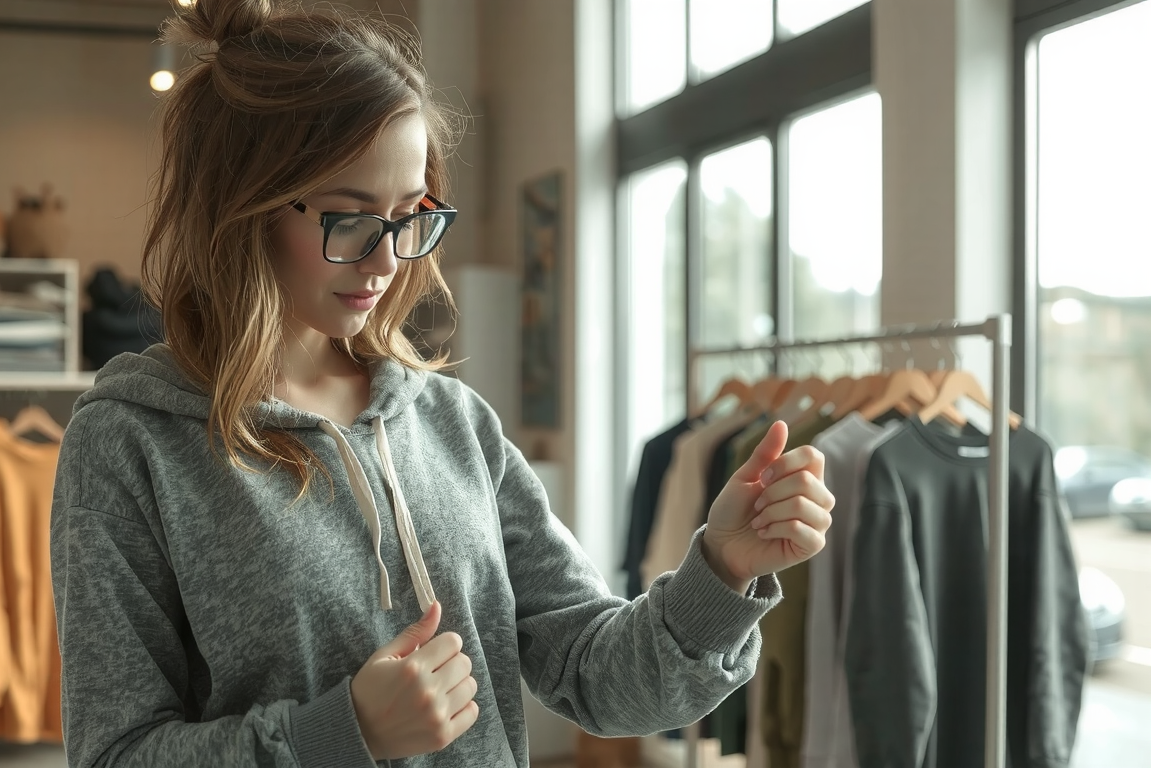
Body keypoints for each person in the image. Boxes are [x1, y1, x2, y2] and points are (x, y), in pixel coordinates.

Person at [48, 1, 835, 766]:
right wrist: (341, 732)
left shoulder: (454, 424)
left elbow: (599, 680)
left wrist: (722, 572)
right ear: (242, 208)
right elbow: (117, 751)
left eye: (408, 214)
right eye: (350, 218)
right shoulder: (132, 442)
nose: (390, 260)